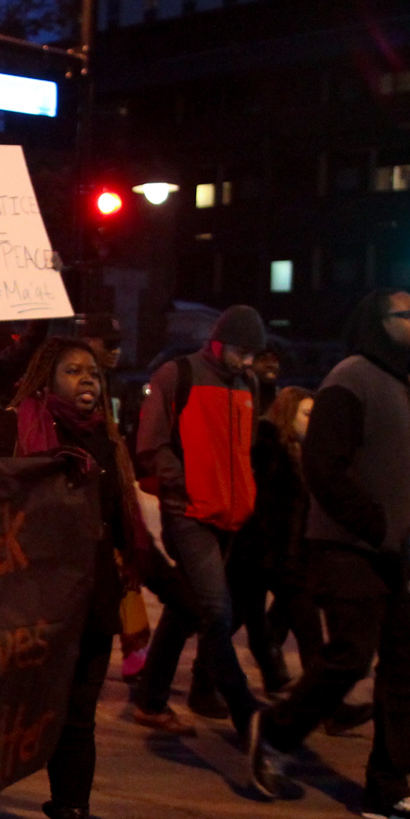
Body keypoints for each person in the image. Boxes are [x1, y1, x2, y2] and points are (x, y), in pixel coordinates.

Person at [246, 291, 410, 819]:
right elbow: (325, 466)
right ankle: (276, 732)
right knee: (351, 656)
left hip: (407, 554)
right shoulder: (351, 378)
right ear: (380, 324)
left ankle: (390, 787)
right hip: (348, 548)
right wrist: (377, 526)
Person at [0, 337, 143, 819]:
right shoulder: (14, 431)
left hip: (90, 607)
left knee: (77, 725)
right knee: (5, 714)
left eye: (93, 371)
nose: (88, 379)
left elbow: (120, 524)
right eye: (73, 371)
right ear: (46, 381)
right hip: (27, 606)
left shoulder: (109, 442)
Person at [131, 306, 266, 737]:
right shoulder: (177, 374)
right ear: (218, 342)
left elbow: (247, 449)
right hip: (187, 513)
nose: (247, 362)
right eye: (242, 352)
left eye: (253, 355)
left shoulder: (248, 385)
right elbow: (151, 444)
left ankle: (151, 699)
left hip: (228, 516)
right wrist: (185, 487)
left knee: (186, 608)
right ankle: (246, 711)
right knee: (215, 610)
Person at [229, 386, 321, 696]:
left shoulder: (302, 452)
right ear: (288, 415)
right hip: (262, 556)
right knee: (236, 619)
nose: (314, 421)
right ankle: (203, 681)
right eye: (307, 414)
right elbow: (263, 507)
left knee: (300, 628)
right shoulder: (268, 449)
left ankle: (318, 699)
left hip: (287, 558)